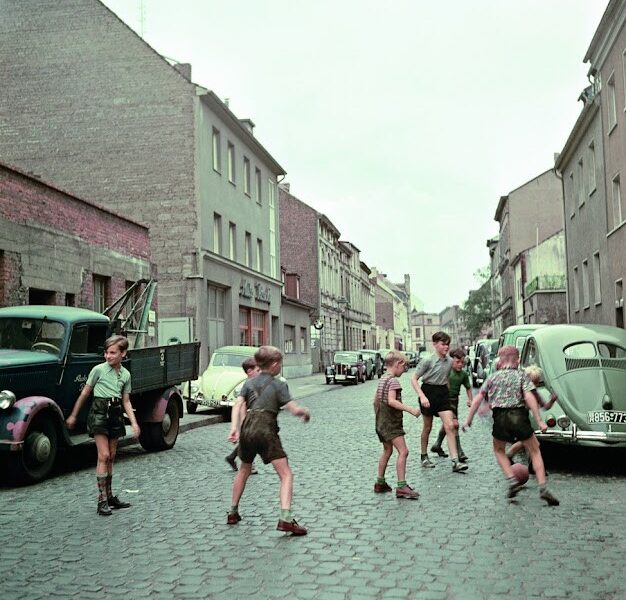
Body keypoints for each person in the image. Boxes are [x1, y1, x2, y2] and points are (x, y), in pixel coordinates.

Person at [226, 345, 311, 535]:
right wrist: (305, 412)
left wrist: (234, 428)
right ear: (274, 365)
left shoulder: (249, 383)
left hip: (248, 428)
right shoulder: (279, 384)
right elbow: (294, 409)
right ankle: (286, 518)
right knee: (286, 474)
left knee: (244, 468)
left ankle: (232, 511)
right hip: (266, 429)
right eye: (280, 363)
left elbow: (238, 404)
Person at [462, 345, 559, 505]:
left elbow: (478, 398)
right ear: (518, 359)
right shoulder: (521, 376)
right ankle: (543, 487)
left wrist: (469, 419)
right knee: (535, 450)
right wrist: (540, 420)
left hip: (500, 417)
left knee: (499, 450)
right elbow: (529, 397)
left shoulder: (493, 377)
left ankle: (512, 479)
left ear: (500, 360)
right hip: (518, 416)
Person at [66, 335, 140, 516]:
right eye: (106, 352)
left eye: (113, 353)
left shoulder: (126, 375)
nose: (108, 356)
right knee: (104, 455)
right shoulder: (98, 370)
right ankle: (101, 500)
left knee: (112, 456)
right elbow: (85, 393)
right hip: (99, 413)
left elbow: (126, 401)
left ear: (123, 353)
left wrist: (134, 423)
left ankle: (110, 495)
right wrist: (74, 415)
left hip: (115, 414)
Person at [410, 331, 468, 473]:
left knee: (450, 425)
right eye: (443, 344)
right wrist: (422, 397)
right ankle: (424, 456)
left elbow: (447, 377)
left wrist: (449, 393)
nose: (446, 347)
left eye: (447, 344)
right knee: (427, 427)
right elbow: (414, 379)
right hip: (428, 392)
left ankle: (455, 461)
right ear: (435, 344)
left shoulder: (449, 362)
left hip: (442, 393)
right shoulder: (428, 360)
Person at [374, 350, 421, 499]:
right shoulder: (393, 381)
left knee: (387, 451)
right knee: (403, 451)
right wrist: (411, 409)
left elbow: (375, 401)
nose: (405, 369)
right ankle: (401, 486)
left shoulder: (382, 379)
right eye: (404, 365)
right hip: (392, 424)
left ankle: (380, 482)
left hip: (381, 422)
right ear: (397, 364)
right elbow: (392, 401)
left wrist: (378, 417)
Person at [505, 365, 557, 463]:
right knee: (530, 441)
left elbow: (545, 406)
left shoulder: (532, 392)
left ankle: (529, 462)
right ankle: (511, 456)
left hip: (521, 418)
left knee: (530, 442)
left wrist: (552, 400)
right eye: (533, 382)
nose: (534, 385)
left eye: (536, 382)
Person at [430, 348, 473, 462]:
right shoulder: (447, 372)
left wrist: (470, 399)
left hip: (454, 401)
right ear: (451, 361)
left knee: (448, 424)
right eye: (457, 362)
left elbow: (468, 387)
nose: (460, 365)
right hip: (445, 400)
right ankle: (459, 452)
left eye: (462, 363)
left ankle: (437, 444)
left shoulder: (463, 374)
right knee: (454, 424)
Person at [225, 357, 260, 473]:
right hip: (250, 418)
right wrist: (242, 423)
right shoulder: (248, 385)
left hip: (255, 418)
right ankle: (249, 465)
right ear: (249, 371)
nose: (259, 371)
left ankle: (232, 457)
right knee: (252, 442)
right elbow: (241, 405)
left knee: (250, 441)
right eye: (257, 369)